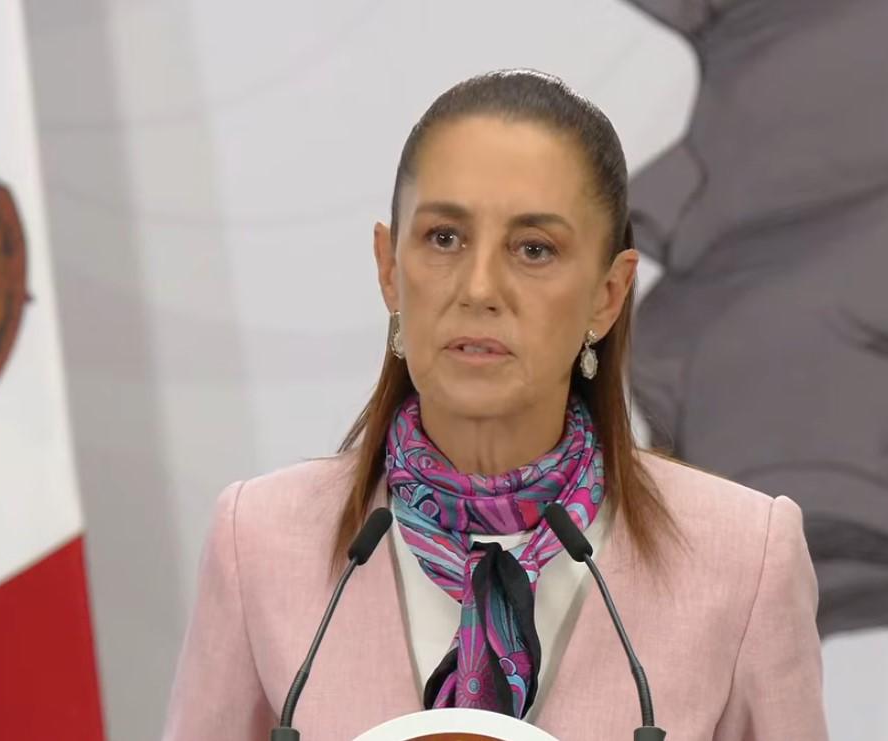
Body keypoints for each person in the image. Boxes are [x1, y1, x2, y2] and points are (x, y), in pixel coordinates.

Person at [162, 70, 826, 741]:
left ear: (608, 294)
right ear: (389, 267)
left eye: (534, 249)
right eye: (444, 238)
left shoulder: (744, 557)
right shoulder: (260, 539)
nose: (479, 288)